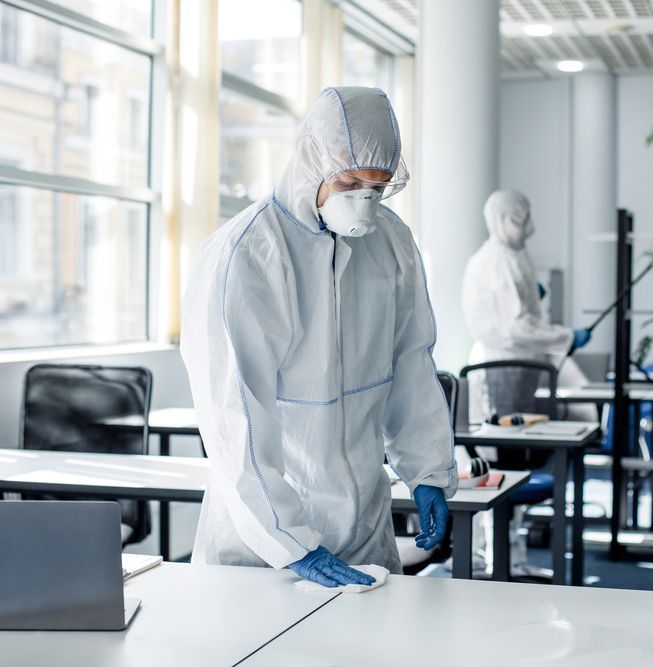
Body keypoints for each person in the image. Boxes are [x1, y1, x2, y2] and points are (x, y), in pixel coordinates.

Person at [180, 87, 456, 588]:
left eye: (378, 187)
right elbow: (233, 418)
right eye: (350, 182)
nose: (364, 203)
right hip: (267, 542)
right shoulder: (248, 252)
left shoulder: (391, 243)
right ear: (312, 161)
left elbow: (411, 365)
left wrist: (428, 470)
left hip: (365, 523)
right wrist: (290, 543)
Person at [462, 189, 592, 422]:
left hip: (518, 363)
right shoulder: (499, 260)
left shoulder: (511, 254)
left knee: (522, 431)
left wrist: (530, 295)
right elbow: (517, 327)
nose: (526, 226)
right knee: (510, 434)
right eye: (517, 220)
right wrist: (566, 337)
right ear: (499, 220)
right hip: (505, 364)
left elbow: (509, 306)